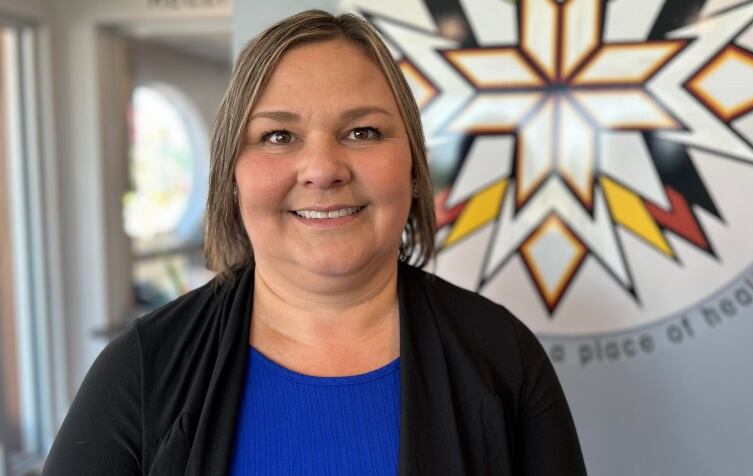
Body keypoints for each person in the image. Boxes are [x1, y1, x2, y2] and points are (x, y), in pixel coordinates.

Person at [42, 10, 586, 476]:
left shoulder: (503, 357)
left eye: (363, 132)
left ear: (413, 168)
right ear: (232, 176)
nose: (323, 169)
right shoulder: (142, 369)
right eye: (278, 136)